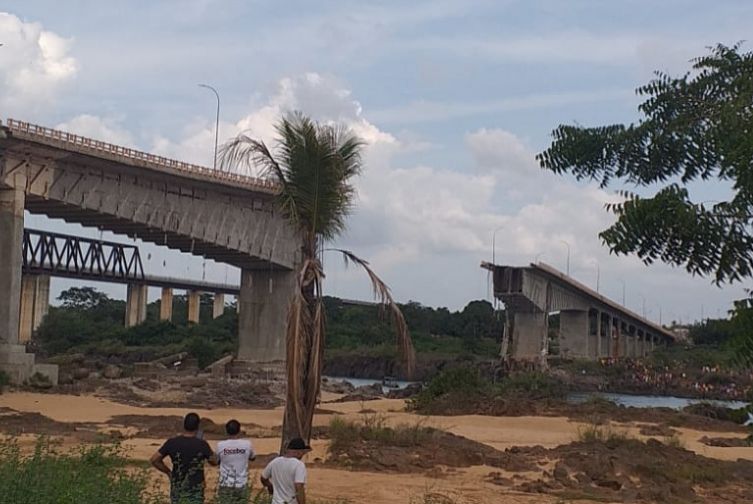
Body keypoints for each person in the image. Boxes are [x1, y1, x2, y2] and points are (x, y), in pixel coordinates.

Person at [150, 412, 217, 504]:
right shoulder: (202, 444)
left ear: (184, 425)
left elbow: (154, 459)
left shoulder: (172, 442)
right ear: (198, 426)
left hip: (177, 484)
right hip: (195, 487)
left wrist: (168, 472)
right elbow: (214, 461)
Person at [261, 438, 311, 504]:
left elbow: (263, 478)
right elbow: (299, 487)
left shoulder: (275, 462)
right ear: (299, 452)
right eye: (303, 453)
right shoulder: (299, 465)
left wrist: (270, 487)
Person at [216, 419, 256, 503]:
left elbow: (217, 460)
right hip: (241, 483)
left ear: (226, 431)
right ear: (239, 430)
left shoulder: (220, 445)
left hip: (225, 483)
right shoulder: (247, 444)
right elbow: (253, 457)